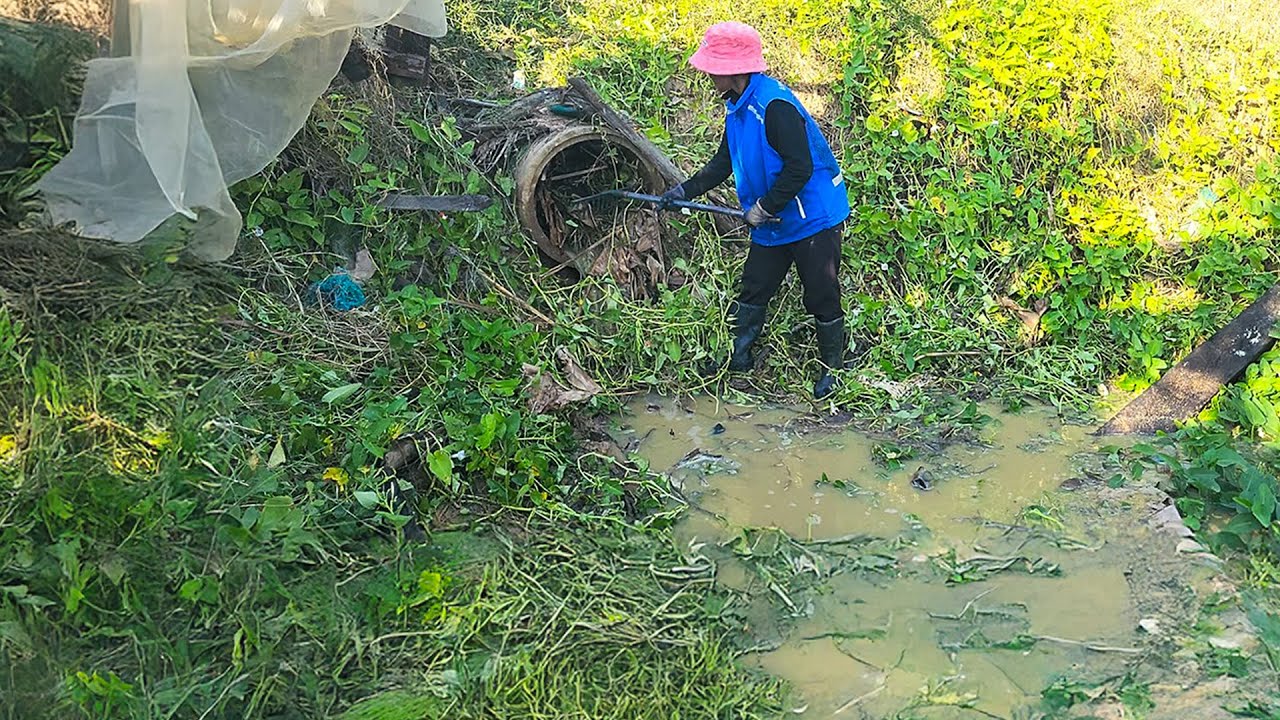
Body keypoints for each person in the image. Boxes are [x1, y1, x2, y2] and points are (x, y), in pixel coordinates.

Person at [661, 21, 852, 399]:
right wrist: (684, 189)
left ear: (733, 70)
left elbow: (801, 167)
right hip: (773, 220)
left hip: (811, 216)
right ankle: (740, 355)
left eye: (712, 68)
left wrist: (763, 207)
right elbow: (722, 162)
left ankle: (834, 368)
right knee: (754, 285)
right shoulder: (737, 106)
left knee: (821, 292)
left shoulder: (774, 106)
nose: (707, 75)